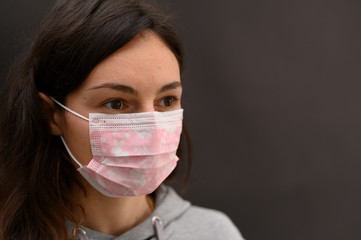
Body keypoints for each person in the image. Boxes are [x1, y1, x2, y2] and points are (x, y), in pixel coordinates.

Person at [0, 0, 244, 239]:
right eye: (116, 103)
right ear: (52, 114)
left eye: (167, 100)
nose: (152, 130)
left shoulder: (215, 233)